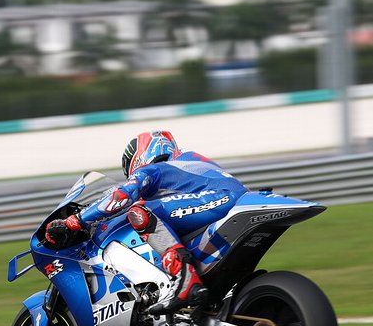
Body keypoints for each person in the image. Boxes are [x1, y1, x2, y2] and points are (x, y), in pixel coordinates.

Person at [45, 130, 248, 314]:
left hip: (220, 199)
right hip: (235, 201)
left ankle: (184, 279)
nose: (129, 173)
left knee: (139, 212)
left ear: (139, 155)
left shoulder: (155, 169)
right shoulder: (185, 164)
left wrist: (75, 221)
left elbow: (121, 197)